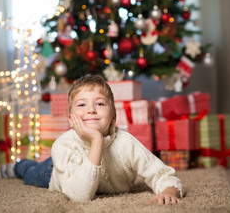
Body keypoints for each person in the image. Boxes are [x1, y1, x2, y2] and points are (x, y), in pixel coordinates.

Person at [11, 74, 184, 205]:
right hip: (53, 171)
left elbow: (160, 172)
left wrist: (170, 190)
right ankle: (17, 166)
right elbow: (80, 196)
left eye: (100, 104)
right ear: (71, 120)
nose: (91, 110)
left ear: (113, 118)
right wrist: (97, 141)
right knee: (30, 172)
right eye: (81, 104)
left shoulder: (127, 143)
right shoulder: (63, 145)